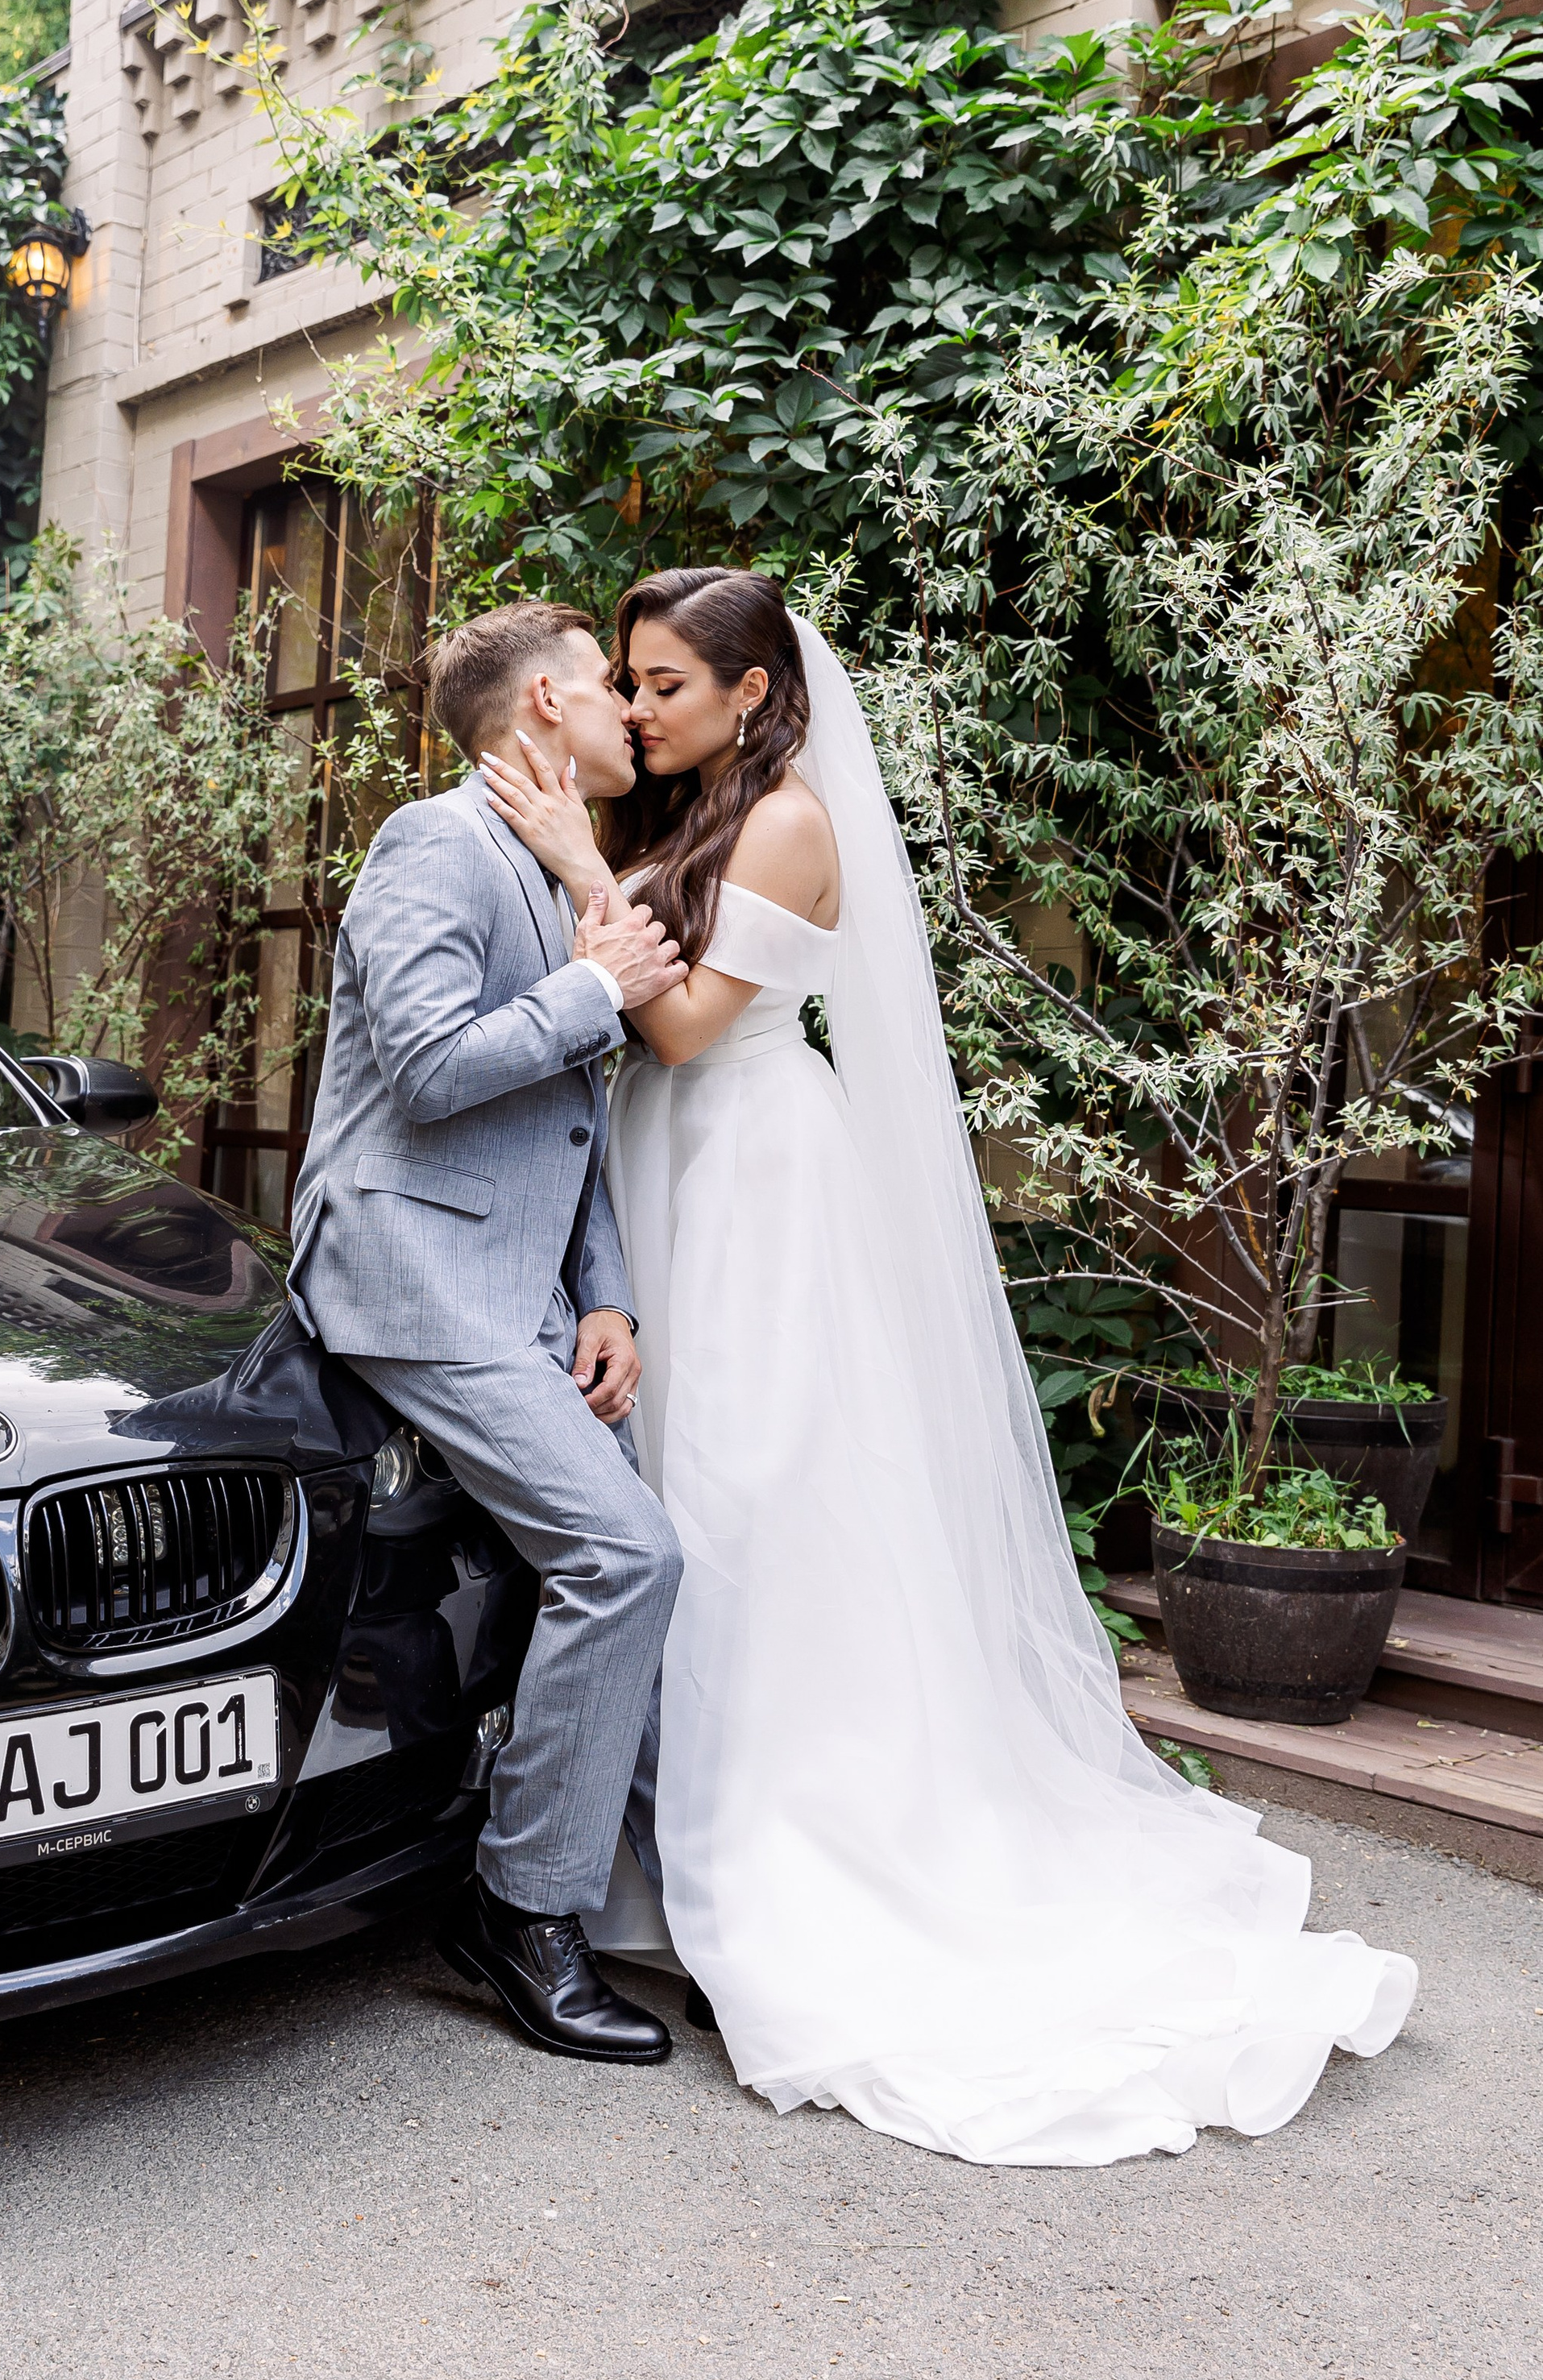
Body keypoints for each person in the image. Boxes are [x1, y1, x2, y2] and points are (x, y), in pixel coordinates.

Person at [477, 566, 1418, 2168]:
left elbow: (688, 1026)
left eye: (659, 685)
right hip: (675, 1171)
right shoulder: (701, 811)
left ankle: (784, 1838)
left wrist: (572, 854)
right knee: (672, 1493)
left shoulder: (783, 826)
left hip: (750, 1178)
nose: (634, 709)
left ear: (752, 694)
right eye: (623, 683)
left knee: (753, 1497)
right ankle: (637, 1833)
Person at [288, 599, 689, 2063]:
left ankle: (677, 1898)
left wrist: (606, 1293)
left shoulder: (554, 857)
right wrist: (599, 989)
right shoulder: (434, 844)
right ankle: (522, 1914)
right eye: (606, 686)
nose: (630, 712)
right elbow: (436, 1068)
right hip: (416, 1274)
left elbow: (571, 1120)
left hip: (530, 1294)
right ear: (540, 706)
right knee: (627, 1554)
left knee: (628, 1567)